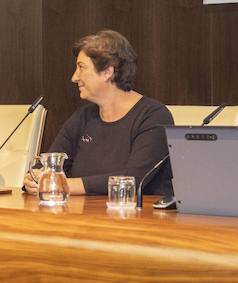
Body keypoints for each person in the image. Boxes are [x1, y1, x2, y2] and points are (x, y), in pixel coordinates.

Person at [22, 30, 174, 197]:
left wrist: (60, 184)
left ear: (107, 72)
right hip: (83, 217)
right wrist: (34, 179)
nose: (74, 77)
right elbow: (50, 166)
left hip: (140, 218)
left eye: (81, 67)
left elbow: (132, 180)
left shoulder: (153, 116)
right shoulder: (83, 117)